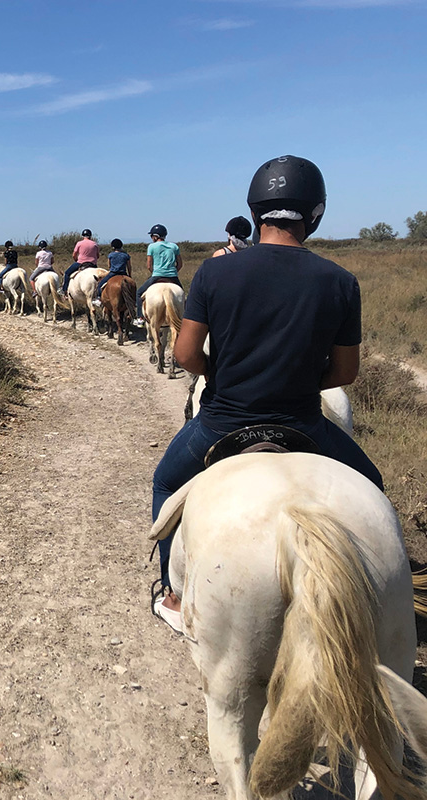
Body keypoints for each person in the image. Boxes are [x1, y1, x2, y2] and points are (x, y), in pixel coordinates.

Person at [150, 155, 383, 632]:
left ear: (256, 212)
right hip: (304, 425)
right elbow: (345, 371)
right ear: (314, 215)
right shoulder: (341, 281)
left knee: (166, 484)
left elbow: (185, 355)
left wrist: (225, 373)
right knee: (372, 488)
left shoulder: (215, 274)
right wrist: (294, 378)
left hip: (222, 422)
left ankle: (174, 594)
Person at [134, 224, 181, 323]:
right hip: (173, 277)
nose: (151, 238)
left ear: (155, 236)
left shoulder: (151, 247)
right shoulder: (174, 246)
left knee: (138, 294)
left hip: (157, 276)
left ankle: (140, 318)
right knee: (183, 296)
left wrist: (154, 272)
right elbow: (180, 264)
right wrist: (172, 271)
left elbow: (149, 265)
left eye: (151, 236)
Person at [91, 239, 131, 306]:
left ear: (113, 247)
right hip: (123, 273)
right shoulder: (126, 255)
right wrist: (129, 275)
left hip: (113, 273)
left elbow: (109, 266)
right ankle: (134, 301)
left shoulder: (111, 255)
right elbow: (129, 267)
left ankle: (98, 299)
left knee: (100, 284)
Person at [60, 229, 99, 294]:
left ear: (83, 236)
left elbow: (74, 254)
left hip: (81, 263)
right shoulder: (95, 244)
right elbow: (97, 256)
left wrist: (76, 260)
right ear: (90, 236)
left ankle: (64, 290)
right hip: (93, 264)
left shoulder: (79, 243)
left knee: (67, 273)